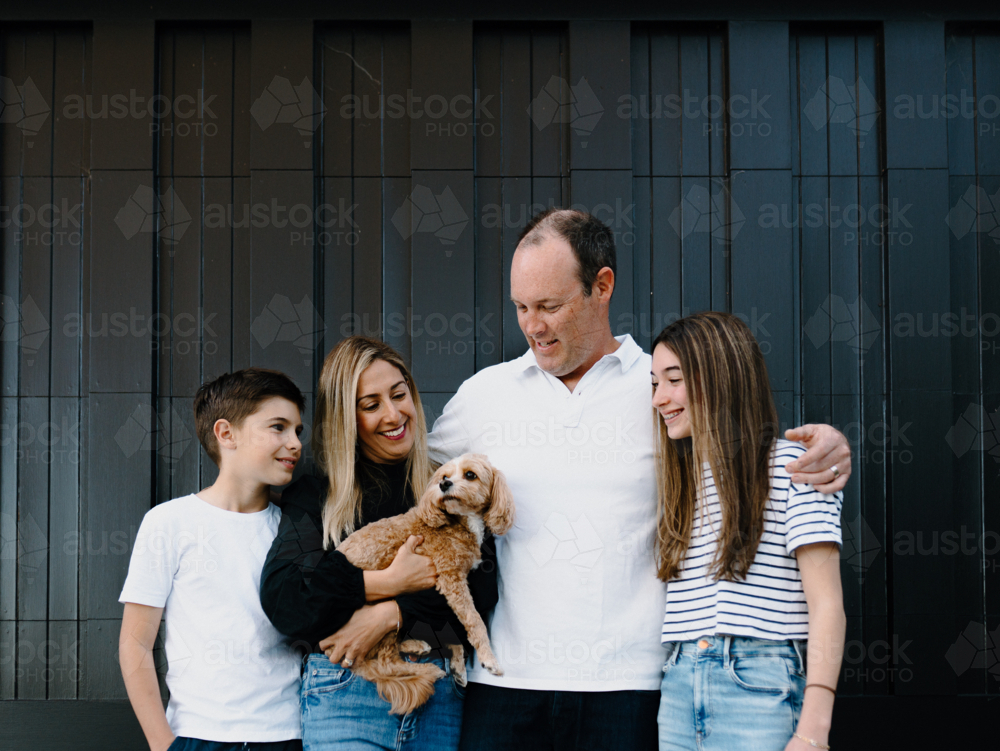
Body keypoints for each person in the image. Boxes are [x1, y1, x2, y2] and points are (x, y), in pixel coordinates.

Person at [425, 208, 852, 750]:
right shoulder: (484, 394)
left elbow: (742, 452)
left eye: (550, 306)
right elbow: (406, 481)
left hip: (636, 690)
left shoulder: (665, 387)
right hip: (507, 686)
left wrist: (827, 447)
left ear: (601, 286)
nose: (533, 325)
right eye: (521, 307)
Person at [259, 336, 498, 751]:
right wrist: (385, 582)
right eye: (370, 405)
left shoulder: (449, 483)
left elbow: (482, 589)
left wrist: (389, 613)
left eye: (399, 395)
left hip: (440, 692)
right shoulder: (319, 492)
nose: (393, 414)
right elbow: (287, 599)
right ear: (345, 417)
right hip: (347, 690)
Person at [650, 311, 845, 751]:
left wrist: (814, 733)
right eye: (654, 383)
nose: (659, 398)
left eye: (674, 379)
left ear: (722, 376)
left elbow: (828, 606)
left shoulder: (794, 467)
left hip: (758, 680)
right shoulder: (681, 483)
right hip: (678, 682)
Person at [119, 367, 306, 751]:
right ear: (226, 434)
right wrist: (161, 744)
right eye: (278, 427)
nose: (295, 443)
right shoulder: (169, 523)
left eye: (297, 431)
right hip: (199, 736)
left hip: (290, 735)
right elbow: (135, 643)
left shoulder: (297, 527)